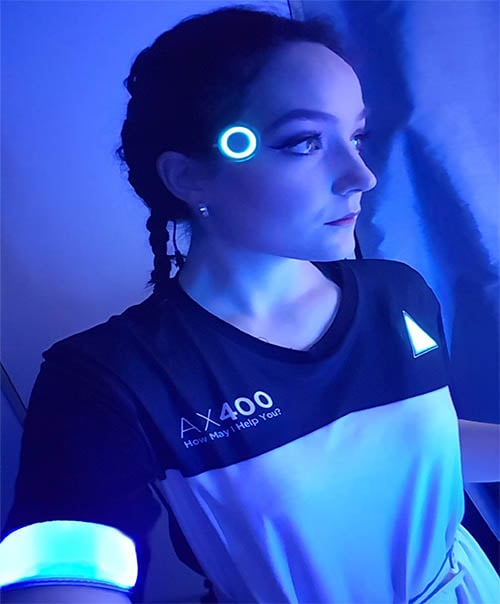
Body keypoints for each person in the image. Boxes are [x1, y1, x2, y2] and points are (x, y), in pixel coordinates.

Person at [1, 6, 499, 604]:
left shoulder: (398, 294)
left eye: (356, 136)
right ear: (189, 177)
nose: (362, 176)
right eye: (304, 142)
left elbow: (417, 443)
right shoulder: (110, 379)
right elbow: (62, 574)